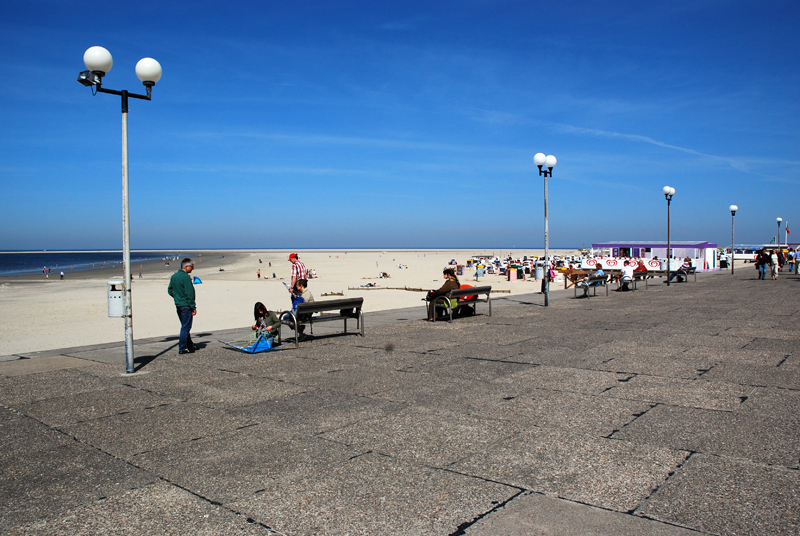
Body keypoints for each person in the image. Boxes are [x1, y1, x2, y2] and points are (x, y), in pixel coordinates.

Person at [168, 258, 198, 354]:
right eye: (192, 267)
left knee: (185, 326)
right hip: (185, 305)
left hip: (179, 304)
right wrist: (193, 307)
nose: (192, 269)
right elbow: (190, 293)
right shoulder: (185, 277)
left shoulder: (174, 276)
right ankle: (182, 347)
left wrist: (177, 297)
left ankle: (189, 344)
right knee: (186, 327)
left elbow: (170, 290)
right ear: (186, 266)